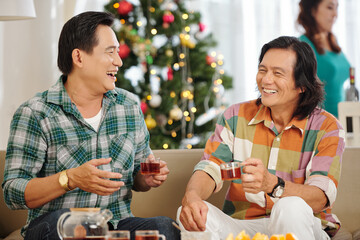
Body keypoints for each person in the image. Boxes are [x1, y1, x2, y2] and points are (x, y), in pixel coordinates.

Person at [2, 11, 180, 240]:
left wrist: (145, 179)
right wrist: (70, 179)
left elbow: (138, 174)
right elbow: (13, 192)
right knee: (72, 224)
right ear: (79, 57)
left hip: (115, 225)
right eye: (110, 52)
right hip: (56, 226)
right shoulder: (36, 113)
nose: (119, 61)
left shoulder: (127, 106)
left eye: (117, 51)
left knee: (166, 228)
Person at [177, 36, 345, 240]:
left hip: (304, 226)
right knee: (191, 214)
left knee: (290, 206)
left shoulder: (326, 127)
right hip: (244, 226)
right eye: (263, 70)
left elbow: (320, 198)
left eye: (277, 73)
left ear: (302, 85)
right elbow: (211, 167)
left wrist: (273, 185)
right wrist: (192, 197)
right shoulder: (235, 116)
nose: (265, 80)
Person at [297, 0, 351, 118]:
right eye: (330, 7)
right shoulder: (303, 45)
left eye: (337, 8)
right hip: (320, 122)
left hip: (343, 119)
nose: (335, 14)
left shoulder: (333, 42)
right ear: (313, 10)